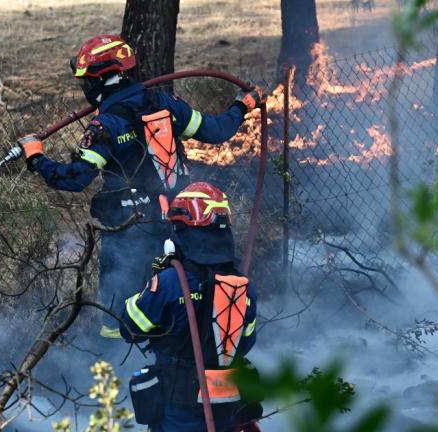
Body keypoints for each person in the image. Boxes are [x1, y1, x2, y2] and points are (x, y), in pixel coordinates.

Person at [17, 35, 262, 338]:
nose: (85, 87)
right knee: (177, 299)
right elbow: (217, 130)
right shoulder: (166, 104)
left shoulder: (106, 125)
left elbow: (74, 178)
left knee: (117, 319)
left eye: (86, 80)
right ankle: (184, 353)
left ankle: (115, 360)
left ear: (100, 81)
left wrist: (36, 157)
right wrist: (242, 105)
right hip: (178, 225)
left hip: (127, 233)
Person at [119, 182, 260, 432]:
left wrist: (153, 282)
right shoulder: (244, 288)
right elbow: (246, 343)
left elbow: (129, 328)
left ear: (182, 231)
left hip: (178, 413)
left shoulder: (169, 283)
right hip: (227, 412)